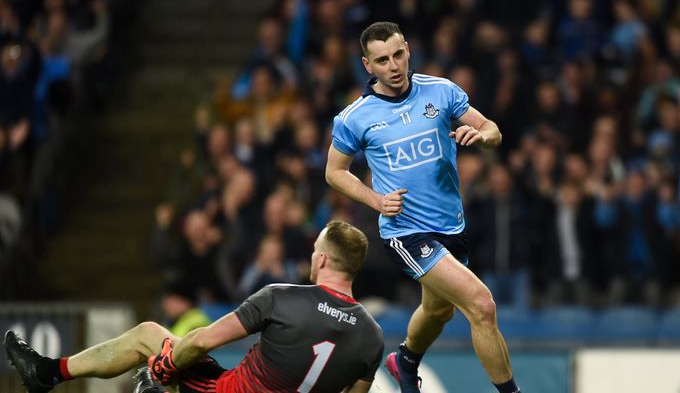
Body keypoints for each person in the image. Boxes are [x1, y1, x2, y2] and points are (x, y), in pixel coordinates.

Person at [326, 21, 520, 393]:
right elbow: (335, 172)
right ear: (368, 66)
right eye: (382, 60)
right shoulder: (355, 117)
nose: (393, 66)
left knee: (438, 310)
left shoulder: (441, 91)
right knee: (481, 305)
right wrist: (376, 201)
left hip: (451, 227)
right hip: (405, 231)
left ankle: (405, 359)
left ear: (408, 50)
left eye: (398, 55)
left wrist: (481, 136)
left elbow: (493, 130)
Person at [4, 221, 383, 393]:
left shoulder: (282, 297)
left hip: (222, 391)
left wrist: (166, 366)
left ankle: (48, 373)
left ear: (320, 260)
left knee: (151, 338)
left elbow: (203, 341)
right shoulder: (371, 337)